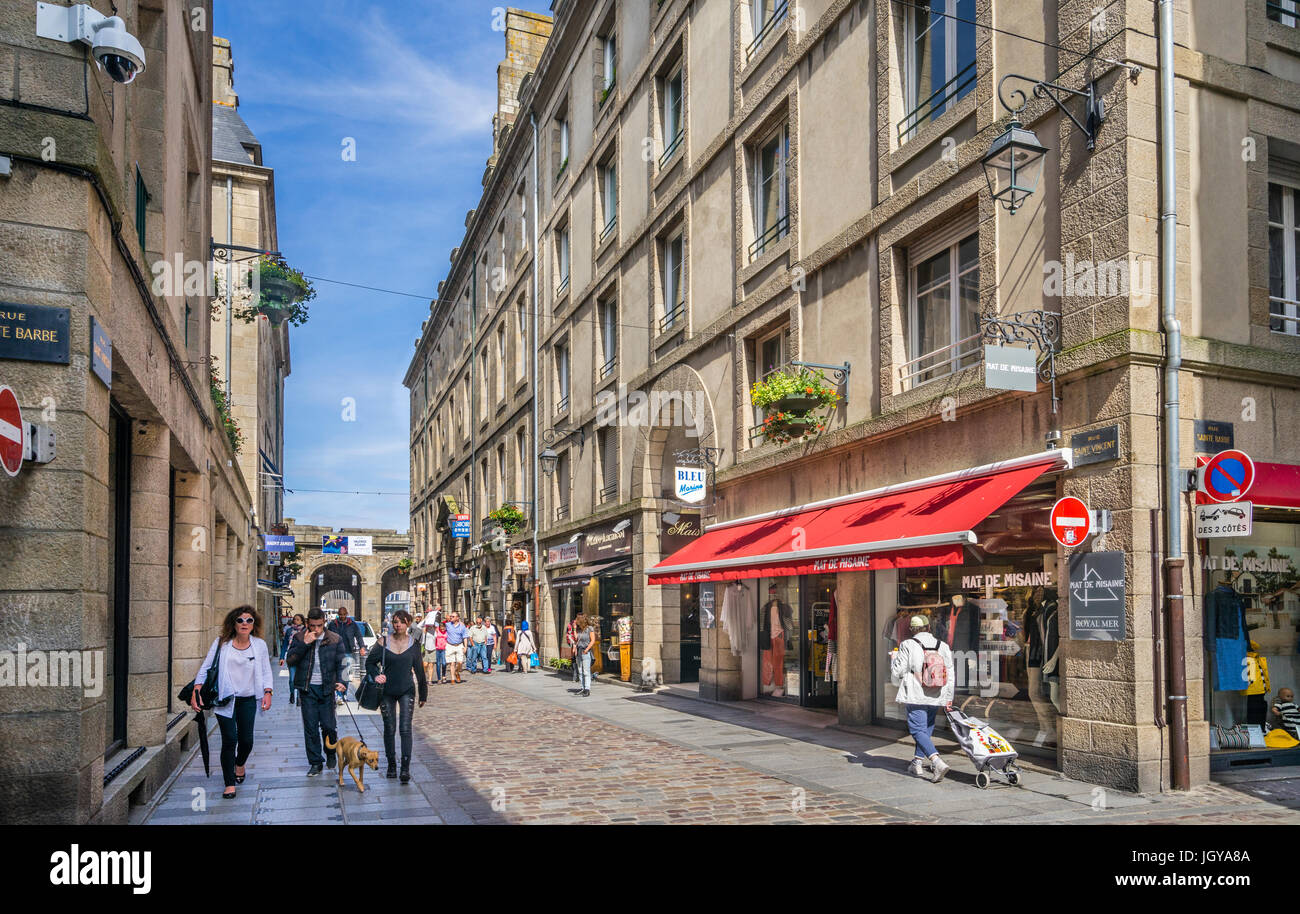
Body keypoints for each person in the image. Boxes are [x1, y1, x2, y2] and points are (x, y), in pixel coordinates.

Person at [191, 606, 276, 799]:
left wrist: (268, 692)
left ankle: (240, 763)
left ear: (254, 624)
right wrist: (197, 688)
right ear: (233, 623)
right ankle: (229, 783)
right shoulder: (222, 643)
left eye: (249, 620)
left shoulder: (259, 645)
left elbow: (265, 671)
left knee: (246, 741)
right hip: (225, 699)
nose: (244, 623)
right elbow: (206, 666)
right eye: (240, 620)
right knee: (229, 740)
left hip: (247, 699)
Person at [890, 614, 955, 783]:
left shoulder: (908, 645)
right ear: (929, 627)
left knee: (917, 730)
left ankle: (937, 763)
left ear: (912, 630)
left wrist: (893, 659)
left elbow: (897, 671)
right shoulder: (943, 646)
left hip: (916, 694)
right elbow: (950, 674)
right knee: (926, 729)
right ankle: (917, 763)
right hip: (936, 693)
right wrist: (949, 698)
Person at [365, 610, 428, 782]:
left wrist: (423, 693)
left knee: (405, 729)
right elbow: (369, 662)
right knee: (389, 728)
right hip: (387, 691)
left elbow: (420, 671)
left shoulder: (413, 644)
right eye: (395, 621)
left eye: (401, 621)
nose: (397, 624)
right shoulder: (382, 642)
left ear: (407, 623)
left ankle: (405, 768)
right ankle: (392, 764)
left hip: (406, 689)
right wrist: (376, 674)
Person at [285, 608, 348, 777]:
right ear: (307, 624)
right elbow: (290, 660)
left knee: (328, 725)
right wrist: (304, 644)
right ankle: (315, 762)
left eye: (319, 626)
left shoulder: (335, 639)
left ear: (324, 622)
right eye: (312, 626)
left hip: (327, 688)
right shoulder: (299, 637)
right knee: (311, 727)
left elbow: (343, 663)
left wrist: (342, 682)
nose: (316, 630)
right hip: (307, 688)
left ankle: (330, 751)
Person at [328, 606, 366, 703]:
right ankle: (339, 695)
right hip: (336, 652)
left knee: (347, 675)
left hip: (348, 651)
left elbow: (358, 636)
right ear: (338, 615)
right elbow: (327, 636)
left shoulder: (352, 624)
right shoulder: (333, 624)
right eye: (340, 615)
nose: (342, 616)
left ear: (347, 614)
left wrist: (362, 647)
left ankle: (344, 694)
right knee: (339, 674)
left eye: (344, 614)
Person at [279, 613, 305, 705]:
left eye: (298, 619)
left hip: (302, 658)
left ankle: (299, 698)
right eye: (294, 619)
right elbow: (285, 644)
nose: (295, 621)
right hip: (291, 657)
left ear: (302, 621)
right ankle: (292, 693)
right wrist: (282, 657)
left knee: (301, 678)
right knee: (292, 679)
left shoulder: (305, 631)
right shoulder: (289, 631)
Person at [443, 611, 469, 683]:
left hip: (459, 645)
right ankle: (452, 679)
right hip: (450, 645)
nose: (451, 617)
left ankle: (457, 672)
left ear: (457, 618)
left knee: (460, 662)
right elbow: (439, 626)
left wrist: (465, 647)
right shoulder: (447, 625)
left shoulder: (462, 626)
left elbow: (465, 637)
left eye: (453, 616)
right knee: (452, 663)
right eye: (451, 616)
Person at [574, 614, 594, 697]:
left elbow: (593, 640)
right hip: (579, 651)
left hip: (586, 651)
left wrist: (587, 649)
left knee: (586, 671)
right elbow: (576, 638)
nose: (576, 621)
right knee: (580, 671)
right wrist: (574, 629)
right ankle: (582, 688)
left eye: (577, 620)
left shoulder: (589, 629)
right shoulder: (579, 629)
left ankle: (587, 689)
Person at [419, 614, 440, 683]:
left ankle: (430, 680)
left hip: (433, 649)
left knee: (431, 665)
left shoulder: (436, 631)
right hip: (425, 649)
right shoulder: (425, 630)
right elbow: (418, 626)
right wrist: (425, 619)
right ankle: (423, 677)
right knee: (425, 665)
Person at [565, 615, 579, 683]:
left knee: (576, 660)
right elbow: (569, 635)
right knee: (575, 660)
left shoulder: (571, 625)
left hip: (578, 645)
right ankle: (575, 676)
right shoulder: (571, 625)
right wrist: (573, 644)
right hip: (575, 645)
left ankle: (576, 676)